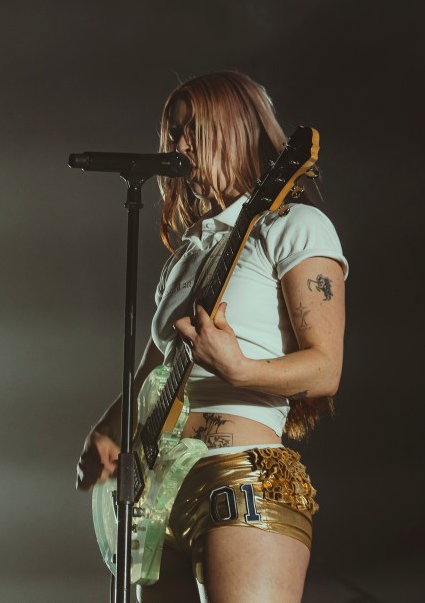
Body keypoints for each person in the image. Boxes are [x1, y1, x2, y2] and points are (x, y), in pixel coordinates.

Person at [75, 70, 348, 602]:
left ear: (237, 130)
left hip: (241, 476)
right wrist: (108, 432)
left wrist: (239, 369)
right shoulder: (189, 255)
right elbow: (158, 366)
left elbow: (326, 369)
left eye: (191, 130)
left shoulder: (295, 226)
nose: (176, 147)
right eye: (172, 133)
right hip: (160, 493)